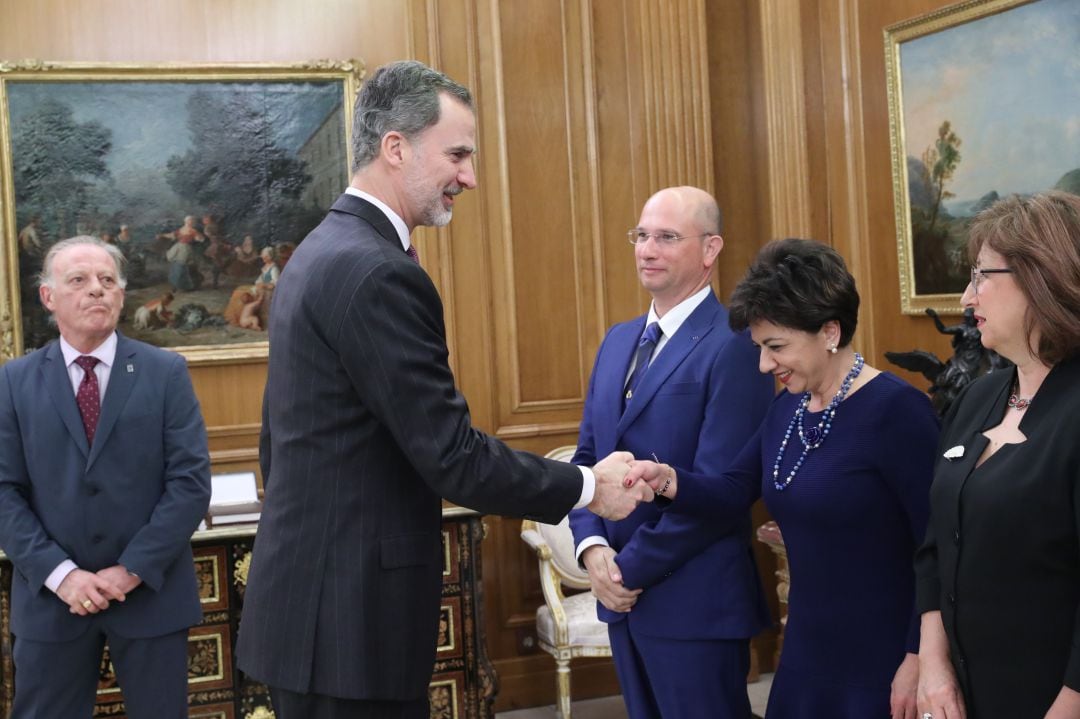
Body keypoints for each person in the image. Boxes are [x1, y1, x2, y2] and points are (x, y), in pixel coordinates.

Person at [235, 60, 651, 719]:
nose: (471, 176)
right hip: (350, 626)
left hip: (318, 613)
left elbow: (278, 442)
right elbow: (451, 454)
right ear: (395, 148)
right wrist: (588, 485)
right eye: (457, 153)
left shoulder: (320, 250)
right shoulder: (374, 270)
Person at [628, 238, 939, 719]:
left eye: (776, 347)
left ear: (830, 331)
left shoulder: (900, 413)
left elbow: (935, 549)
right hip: (807, 654)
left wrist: (920, 658)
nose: (764, 365)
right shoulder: (788, 407)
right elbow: (734, 489)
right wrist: (668, 480)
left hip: (885, 658)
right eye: (759, 348)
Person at [568, 186, 774, 718]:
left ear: (711, 250)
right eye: (641, 235)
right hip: (624, 602)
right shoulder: (617, 340)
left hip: (694, 605)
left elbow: (723, 488)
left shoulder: (736, 343)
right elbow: (587, 458)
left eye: (666, 237)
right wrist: (592, 551)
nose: (647, 250)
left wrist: (624, 573)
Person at [0, 236, 211, 718]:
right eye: (79, 280)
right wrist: (64, 576)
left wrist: (129, 570)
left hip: (150, 599)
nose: (96, 290)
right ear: (48, 297)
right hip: (53, 603)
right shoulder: (13, 382)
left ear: (120, 293)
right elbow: (3, 491)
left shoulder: (165, 373)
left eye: (107, 280)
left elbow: (190, 483)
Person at [915, 191, 1080, 719]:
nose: (966, 297)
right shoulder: (979, 396)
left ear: (1042, 278)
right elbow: (935, 546)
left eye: (982, 276)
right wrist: (933, 666)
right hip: (963, 692)